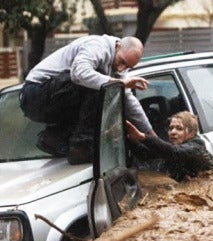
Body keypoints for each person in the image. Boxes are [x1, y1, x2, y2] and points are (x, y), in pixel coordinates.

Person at [20, 34, 154, 164]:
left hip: (55, 100)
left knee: (107, 90)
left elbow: (127, 99)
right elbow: (79, 73)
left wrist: (151, 136)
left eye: (127, 67)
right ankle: (81, 148)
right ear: (117, 46)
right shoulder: (97, 46)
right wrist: (119, 83)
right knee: (100, 84)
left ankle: (54, 138)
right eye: (122, 62)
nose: (121, 68)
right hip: (35, 94)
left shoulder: (119, 67)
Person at [126, 111, 213, 182]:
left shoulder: (195, 147)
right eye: (171, 128)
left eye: (179, 129)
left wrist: (142, 137)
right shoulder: (175, 147)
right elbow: (145, 154)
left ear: (192, 133)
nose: (173, 132)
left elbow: (173, 152)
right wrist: (127, 137)